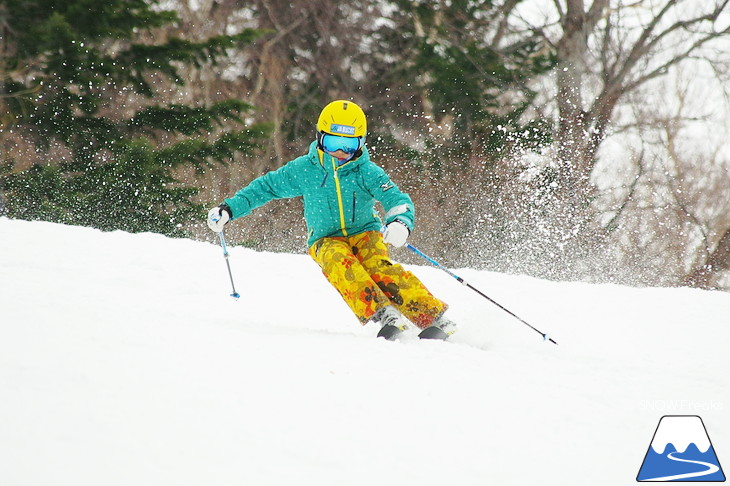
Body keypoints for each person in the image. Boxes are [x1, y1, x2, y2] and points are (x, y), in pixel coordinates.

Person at [206, 100, 457, 340]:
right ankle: (384, 314)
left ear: (360, 144)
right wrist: (229, 209)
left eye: (349, 145)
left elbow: (395, 199)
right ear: (320, 137)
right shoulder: (305, 169)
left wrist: (400, 222)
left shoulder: (366, 171)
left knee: (379, 268)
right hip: (325, 239)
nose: (340, 151)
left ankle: (434, 318)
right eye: (333, 142)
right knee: (342, 264)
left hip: (365, 232)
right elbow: (265, 187)